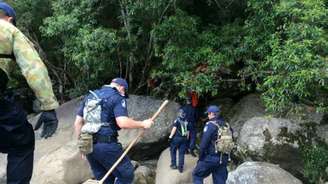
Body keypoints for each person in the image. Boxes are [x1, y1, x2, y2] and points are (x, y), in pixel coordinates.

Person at [0, 2, 59, 184]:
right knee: (21, 144)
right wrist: (48, 107)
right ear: (9, 18)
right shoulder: (7, 28)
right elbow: (34, 69)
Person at [74, 78, 154, 184]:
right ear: (122, 88)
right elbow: (122, 122)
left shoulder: (90, 96)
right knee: (127, 174)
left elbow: (78, 122)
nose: (123, 94)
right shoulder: (117, 97)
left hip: (88, 144)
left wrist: (82, 146)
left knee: (104, 178)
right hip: (106, 144)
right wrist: (143, 124)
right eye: (124, 92)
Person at [192, 105, 230, 184]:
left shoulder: (210, 125)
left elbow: (203, 144)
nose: (208, 115)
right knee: (220, 181)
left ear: (212, 114)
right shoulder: (226, 125)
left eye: (208, 114)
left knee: (197, 175)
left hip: (211, 158)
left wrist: (201, 158)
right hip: (223, 158)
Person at [168, 108, 190, 173]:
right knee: (181, 153)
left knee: (173, 150)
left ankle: (174, 165)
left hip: (176, 139)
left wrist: (170, 137)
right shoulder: (186, 121)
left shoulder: (177, 121)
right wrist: (187, 139)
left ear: (179, 114)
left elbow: (174, 129)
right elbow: (188, 131)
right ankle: (180, 167)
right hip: (184, 139)